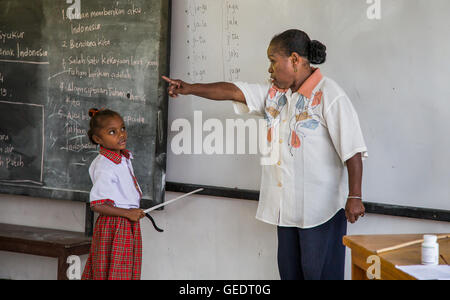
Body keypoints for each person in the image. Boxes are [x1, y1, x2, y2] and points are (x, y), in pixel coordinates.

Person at [163, 29, 368, 280]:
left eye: (273, 61)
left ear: (294, 59)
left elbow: (353, 150)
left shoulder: (329, 94)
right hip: (287, 209)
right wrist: (189, 88)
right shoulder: (276, 95)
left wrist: (355, 195)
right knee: (290, 274)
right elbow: (232, 91)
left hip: (321, 210)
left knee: (320, 275)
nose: (270, 69)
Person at [82, 108, 145, 280]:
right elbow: (97, 204)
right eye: (112, 132)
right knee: (114, 274)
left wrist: (131, 212)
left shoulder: (123, 158)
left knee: (125, 272)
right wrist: (128, 213)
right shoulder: (105, 165)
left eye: (122, 128)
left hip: (126, 222)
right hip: (115, 225)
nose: (121, 134)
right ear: (97, 139)